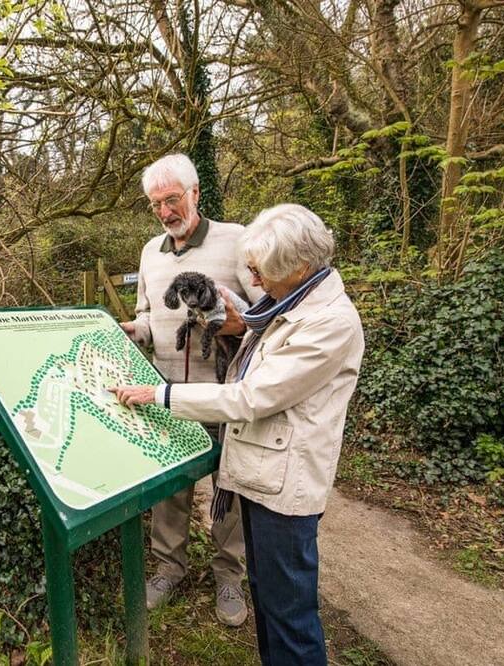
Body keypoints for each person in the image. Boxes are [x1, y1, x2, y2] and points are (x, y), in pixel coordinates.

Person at [112, 203, 365, 665]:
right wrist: (241, 324)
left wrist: (161, 395)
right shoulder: (292, 303)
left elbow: (250, 396)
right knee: (270, 601)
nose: (255, 281)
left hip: (285, 487)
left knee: (290, 615)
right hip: (265, 473)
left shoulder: (328, 323)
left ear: (299, 266)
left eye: (260, 271)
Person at [120, 153, 262, 624]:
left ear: (195, 193)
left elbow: (267, 318)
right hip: (164, 394)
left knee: (228, 486)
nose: (165, 212)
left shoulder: (237, 240)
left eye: (172, 199)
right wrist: (130, 330)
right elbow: (148, 316)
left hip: (223, 395)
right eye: (155, 203)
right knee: (169, 490)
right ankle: (168, 567)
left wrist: (234, 326)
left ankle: (228, 576)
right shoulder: (148, 252)